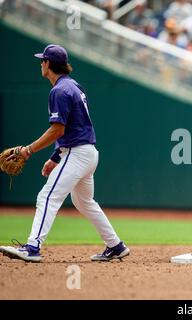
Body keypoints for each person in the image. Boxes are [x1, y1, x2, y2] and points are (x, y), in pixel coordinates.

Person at [0, 45, 130, 263]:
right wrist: (54, 158)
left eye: (42, 60)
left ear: (48, 63)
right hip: (86, 153)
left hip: (77, 153)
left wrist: (28, 150)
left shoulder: (59, 90)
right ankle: (115, 245)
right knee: (84, 202)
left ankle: (32, 247)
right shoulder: (73, 86)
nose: (40, 63)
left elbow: (58, 129)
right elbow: (72, 127)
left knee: (47, 196)